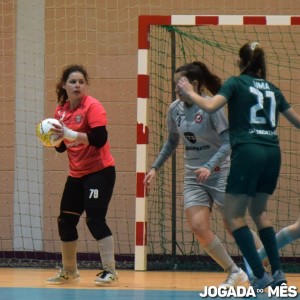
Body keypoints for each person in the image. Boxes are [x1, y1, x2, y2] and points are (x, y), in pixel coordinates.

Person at [177, 42, 300, 290]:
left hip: (249, 151)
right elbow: (297, 122)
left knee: (233, 217)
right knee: (259, 213)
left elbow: (211, 105)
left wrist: (190, 93)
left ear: (240, 63)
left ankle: (257, 274)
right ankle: (277, 272)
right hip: (272, 153)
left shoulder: (236, 82)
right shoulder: (273, 89)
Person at [144, 61, 248, 288]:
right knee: (198, 225)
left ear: (195, 84)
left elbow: (229, 141)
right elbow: (171, 142)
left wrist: (210, 166)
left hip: (221, 172)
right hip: (193, 176)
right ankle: (234, 272)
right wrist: (154, 168)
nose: (175, 89)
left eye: (180, 84)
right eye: (175, 85)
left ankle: (264, 265)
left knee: (234, 226)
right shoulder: (174, 110)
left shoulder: (212, 106)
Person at [45, 64, 118, 285]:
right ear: (64, 86)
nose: (77, 85)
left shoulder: (92, 106)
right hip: (76, 174)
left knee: (94, 220)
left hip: (100, 172)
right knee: (65, 220)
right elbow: (62, 147)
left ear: (85, 85)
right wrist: (52, 139)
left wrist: (68, 133)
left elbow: (99, 138)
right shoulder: (61, 111)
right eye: (73, 81)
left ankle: (110, 271)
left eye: (81, 82)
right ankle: (70, 271)